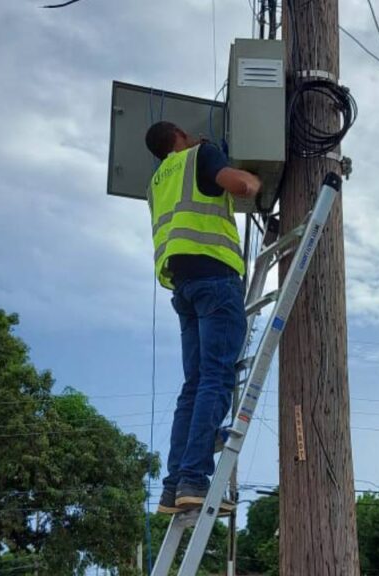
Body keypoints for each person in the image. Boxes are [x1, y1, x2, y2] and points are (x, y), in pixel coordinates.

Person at [143, 121, 261, 513]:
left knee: (194, 384)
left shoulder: (158, 181)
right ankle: (193, 478)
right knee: (215, 377)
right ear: (178, 134)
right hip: (215, 277)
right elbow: (239, 186)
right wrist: (252, 180)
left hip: (183, 286)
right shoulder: (199, 155)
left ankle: (175, 484)